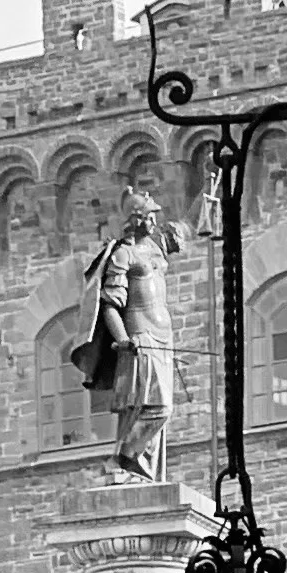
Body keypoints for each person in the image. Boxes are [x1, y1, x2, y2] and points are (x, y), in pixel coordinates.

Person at [93, 181, 185, 480]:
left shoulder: (156, 248)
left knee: (152, 408)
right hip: (140, 338)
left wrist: (207, 191)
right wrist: (122, 340)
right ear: (134, 219)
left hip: (163, 340)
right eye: (148, 216)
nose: (154, 221)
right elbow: (110, 304)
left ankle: (140, 467)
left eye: (154, 215)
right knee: (157, 407)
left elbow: (189, 227)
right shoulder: (124, 255)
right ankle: (124, 456)